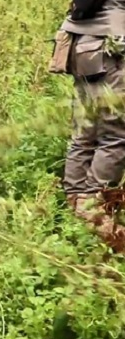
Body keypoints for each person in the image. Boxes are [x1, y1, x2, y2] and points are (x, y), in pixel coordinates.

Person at [50, 0, 125, 239]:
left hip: (83, 44)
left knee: (85, 132)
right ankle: (93, 206)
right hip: (109, 46)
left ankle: (75, 205)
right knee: (116, 135)